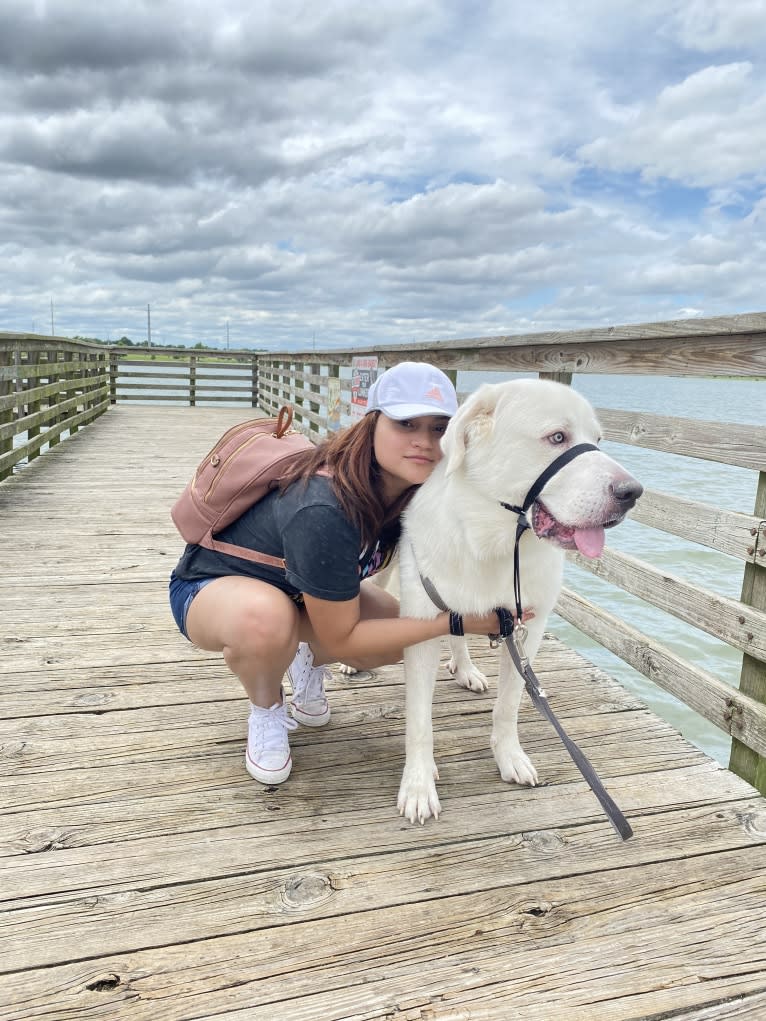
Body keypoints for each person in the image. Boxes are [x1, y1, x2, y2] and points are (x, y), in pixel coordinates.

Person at [169, 361, 505, 786]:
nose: (424, 442)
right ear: (371, 422)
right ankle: (267, 708)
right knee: (267, 620)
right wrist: (456, 622)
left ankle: (304, 657)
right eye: (406, 423)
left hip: (300, 593)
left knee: (393, 630)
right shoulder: (325, 505)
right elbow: (343, 637)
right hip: (211, 589)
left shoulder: (414, 491)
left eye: (440, 428)